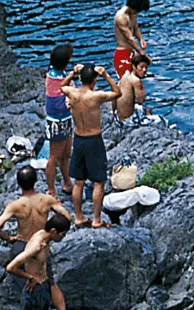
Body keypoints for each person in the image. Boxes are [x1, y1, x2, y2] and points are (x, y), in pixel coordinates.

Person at [0, 167, 74, 310]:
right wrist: (51, 227)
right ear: (36, 181)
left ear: (18, 183)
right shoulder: (46, 200)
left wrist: (8, 238)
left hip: (22, 245)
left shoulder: (16, 205)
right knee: (51, 283)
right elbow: (67, 216)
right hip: (40, 245)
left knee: (26, 287)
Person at [5, 211, 73, 310]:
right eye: (62, 234)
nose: (63, 237)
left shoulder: (43, 235)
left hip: (42, 289)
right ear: (54, 231)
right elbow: (11, 267)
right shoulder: (37, 246)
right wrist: (31, 278)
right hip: (34, 292)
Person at [65, 65, 120, 228]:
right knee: (98, 181)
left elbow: (62, 86)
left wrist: (72, 73)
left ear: (80, 79)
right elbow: (118, 93)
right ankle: (96, 219)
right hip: (93, 140)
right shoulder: (96, 96)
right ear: (95, 80)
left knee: (79, 181)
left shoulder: (71, 93)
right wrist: (107, 76)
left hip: (79, 139)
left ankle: (79, 216)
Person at [43, 44, 77, 200]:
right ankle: (51, 189)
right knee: (54, 156)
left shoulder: (58, 73)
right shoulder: (55, 78)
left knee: (65, 154)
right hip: (57, 121)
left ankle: (67, 182)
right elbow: (58, 98)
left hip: (65, 119)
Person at [113, 0, 149, 75]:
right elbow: (129, 38)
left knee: (134, 78)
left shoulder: (132, 14)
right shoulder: (121, 17)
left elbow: (135, 28)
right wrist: (141, 53)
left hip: (131, 51)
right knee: (126, 81)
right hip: (122, 52)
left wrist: (141, 39)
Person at [114, 54, 150, 125]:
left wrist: (113, 112)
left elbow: (114, 96)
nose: (144, 70)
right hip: (128, 122)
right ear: (134, 66)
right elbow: (140, 101)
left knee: (145, 108)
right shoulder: (136, 80)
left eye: (146, 67)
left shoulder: (124, 76)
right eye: (142, 67)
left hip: (118, 118)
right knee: (159, 119)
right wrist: (141, 86)